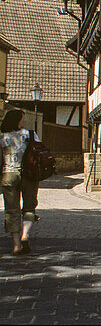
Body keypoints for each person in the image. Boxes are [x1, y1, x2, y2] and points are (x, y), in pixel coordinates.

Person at [0, 109, 38, 255]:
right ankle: (25, 236)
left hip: (8, 175)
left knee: (11, 210)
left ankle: (16, 245)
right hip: (28, 175)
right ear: (16, 120)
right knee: (29, 207)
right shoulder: (30, 134)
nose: (24, 122)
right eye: (22, 119)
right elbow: (39, 151)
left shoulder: (2, 137)